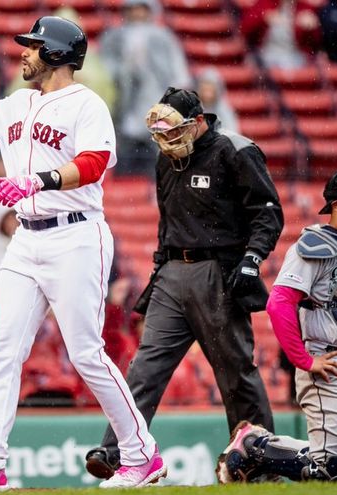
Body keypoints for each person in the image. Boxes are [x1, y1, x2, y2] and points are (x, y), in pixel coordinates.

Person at [0, 17, 166, 490]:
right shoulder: (19, 102)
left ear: (57, 53)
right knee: (3, 351)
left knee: (86, 353)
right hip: (26, 239)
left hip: (76, 235)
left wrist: (39, 181)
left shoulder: (86, 104)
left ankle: (141, 454)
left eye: (33, 45)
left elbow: (94, 162)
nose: (24, 52)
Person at [85, 87, 283, 480]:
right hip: (172, 272)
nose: (167, 140)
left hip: (218, 272)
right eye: (162, 133)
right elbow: (167, 220)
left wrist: (251, 259)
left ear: (198, 122)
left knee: (235, 372)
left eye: (174, 131)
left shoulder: (235, 150)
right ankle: (119, 452)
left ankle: (262, 460)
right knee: (144, 367)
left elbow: (268, 213)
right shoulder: (167, 158)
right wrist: (159, 268)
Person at [217, 166, 337, 483]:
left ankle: (257, 446)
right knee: (331, 470)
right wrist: (304, 360)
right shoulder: (315, 244)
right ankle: (255, 446)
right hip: (333, 364)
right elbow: (279, 303)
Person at [99, 0, 192, 177]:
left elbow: (178, 70)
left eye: (140, 9)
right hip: (125, 103)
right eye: (133, 9)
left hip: (155, 99)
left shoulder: (163, 36)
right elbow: (104, 68)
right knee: (125, 155)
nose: (136, 13)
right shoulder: (114, 36)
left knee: (157, 154)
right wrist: (123, 74)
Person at [241, 0, 321, 69]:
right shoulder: (265, 3)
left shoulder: (304, 8)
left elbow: (316, 42)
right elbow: (245, 29)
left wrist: (311, 27)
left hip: (296, 57)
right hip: (267, 55)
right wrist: (263, 18)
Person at [197, 68, 240, 133]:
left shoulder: (224, 109)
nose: (207, 95)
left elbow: (232, 131)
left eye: (210, 90)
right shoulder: (194, 107)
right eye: (205, 90)